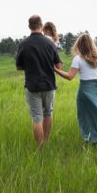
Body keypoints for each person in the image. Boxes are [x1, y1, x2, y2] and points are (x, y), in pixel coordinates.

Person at [53, 33, 97, 146]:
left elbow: (70, 77)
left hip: (85, 91)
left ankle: (93, 139)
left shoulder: (78, 58)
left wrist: (55, 70)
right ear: (92, 44)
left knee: (87, 117)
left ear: (79, 45)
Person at [16, 15, 63, 147]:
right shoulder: (50, 43)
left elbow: (18, 66)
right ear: (41, 26)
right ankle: (46, 142)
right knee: (48, 113)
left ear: (29, 26)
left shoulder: (23, 44)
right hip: (49, 85)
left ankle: (40, 147)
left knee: (37, 117)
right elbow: (58, 66)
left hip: (32, 86)